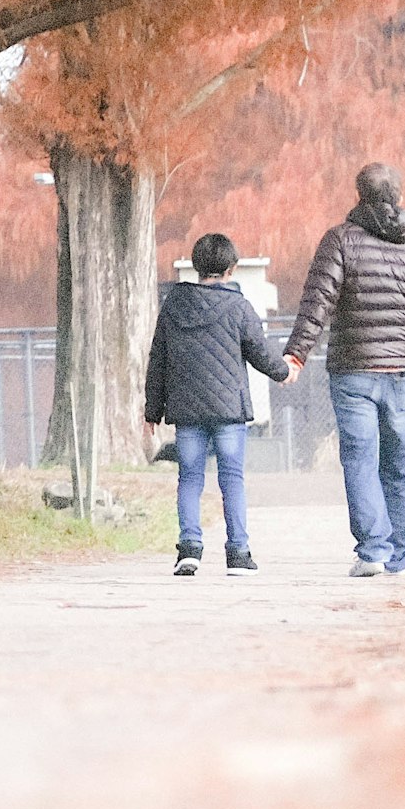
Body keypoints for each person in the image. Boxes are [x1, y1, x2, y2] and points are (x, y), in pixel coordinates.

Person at [285, 161, 405, 577]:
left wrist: (296, 354)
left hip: (353, 371)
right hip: (401, 374)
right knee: (398, 462)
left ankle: (373, 552)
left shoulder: (340, 241)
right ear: (400, 197)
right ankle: (401, 552)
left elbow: (317, 304)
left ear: (358, 195)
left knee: (360, 459)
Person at [143, 232, 294, 575]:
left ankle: (189, 549)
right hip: (228, 411)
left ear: (196, 267)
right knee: (232, 479)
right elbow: (259, 353)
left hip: (187, 411)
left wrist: (152, 411)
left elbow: (159, 360)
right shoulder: (238, 307)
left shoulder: (174, 304)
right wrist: (284, 371)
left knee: (190, 478)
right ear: (231, 269)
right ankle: (238, 553)